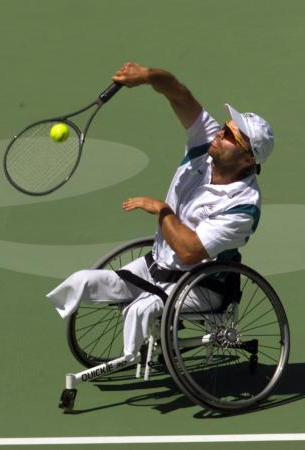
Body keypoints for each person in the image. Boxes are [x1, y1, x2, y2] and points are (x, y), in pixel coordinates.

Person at [46, 62, 275, 362]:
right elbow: (180, 95)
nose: (220, 134)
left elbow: (191, 251)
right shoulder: (205, 145)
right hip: (157, 265)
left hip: (202, 285)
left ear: (247, 159)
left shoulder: (242, 207)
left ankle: (127, 358)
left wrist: (163, 210)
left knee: (140, 309)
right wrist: (148, 77)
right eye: (225, 128)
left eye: (232, 137)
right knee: (82, 282)